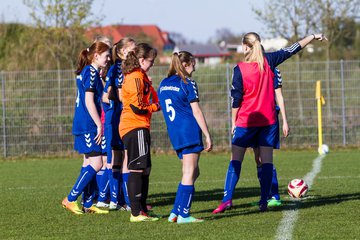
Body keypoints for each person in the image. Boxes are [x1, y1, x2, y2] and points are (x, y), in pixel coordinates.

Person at [212, 32, 327, 213]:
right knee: (266, 163)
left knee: (235, 160)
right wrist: (312, 36)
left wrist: (233, 122)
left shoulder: (239, 69)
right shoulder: (270, 61)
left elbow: (236, 100)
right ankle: (264, 201)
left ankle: (227, 199)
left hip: (246, 121)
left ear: (245, 47)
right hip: (268, 122)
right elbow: (292, 49)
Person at [157, 51, 212, 224]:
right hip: (188, 131)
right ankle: (184, 215)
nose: (195, 67)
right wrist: (207, 134)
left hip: (175, 133)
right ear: (186, 64)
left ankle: (175, 212)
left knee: (193, 171)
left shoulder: (164, 83)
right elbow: (196, 111)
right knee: (189, 172)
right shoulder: (187, 83)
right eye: (193, 63)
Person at [62, 41, 111, 214]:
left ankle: (88, 203)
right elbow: (89, 100)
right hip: (87, 124)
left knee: (90, 162)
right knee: (97, 163)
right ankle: (70, 198)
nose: (108, 59)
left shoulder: (91, 72)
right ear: (96, 56)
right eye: (106, 56)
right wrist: (99, 124)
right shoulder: (90, 72)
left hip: (85, 123)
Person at [119, 43, 161, 222]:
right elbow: (137, 107)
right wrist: (154, 107)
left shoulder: (140, 75)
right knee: (137, 168)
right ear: (142, 60)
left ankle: (142, 208)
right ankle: (136, 213)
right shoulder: (135, 76)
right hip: (134, 125)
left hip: (139, 126)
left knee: (145, 168)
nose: (152, 64)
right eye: (151, 61)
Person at [96, 37, 136, 210]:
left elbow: (106, 96)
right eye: (131, 49)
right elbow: (111, 95)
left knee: (119, 159)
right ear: (121, 52)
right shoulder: (118, 68)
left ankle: (117, 200)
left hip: (119, 118)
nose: (134, 52)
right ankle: (117, 200)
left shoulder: (120, 68)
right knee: (117, 159)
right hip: (118, 119)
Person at [253, 67, 289, 207]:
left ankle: (274, 195)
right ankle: (265, 195)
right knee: (258, 159)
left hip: (269, 119)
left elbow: (279, 95)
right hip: (253, 119)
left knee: (265, 157)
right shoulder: (249, 69)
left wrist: (285, 120)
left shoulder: (273, 70)